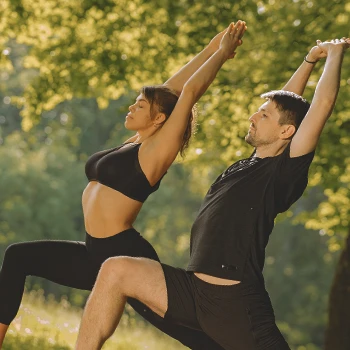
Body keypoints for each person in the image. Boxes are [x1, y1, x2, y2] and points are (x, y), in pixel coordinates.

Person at [74, 36, 350, 350]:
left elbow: (320, 107)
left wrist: (335, 53)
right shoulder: (248, 164)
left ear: (286, 133)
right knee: (115, 269)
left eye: (263, 116)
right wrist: (308, 60)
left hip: (234, 305)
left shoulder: (280, 173)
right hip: (192, 290)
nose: (253, 116)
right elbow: (286, 107)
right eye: (258, 112)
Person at [0, 21, 247, 350]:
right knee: (17, 257)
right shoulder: (135, 141)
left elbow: (187, 94)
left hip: (125, 254)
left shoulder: (157, 151)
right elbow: (173, 90)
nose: (132, 107)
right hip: (94, 253)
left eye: (140, 106)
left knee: (182, 328)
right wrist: (215, 46)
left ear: (159, 119)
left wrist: (221, 55)